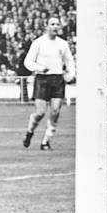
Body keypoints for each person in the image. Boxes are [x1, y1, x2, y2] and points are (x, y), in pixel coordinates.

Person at [22, 16, 75, 150]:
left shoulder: (63, 44)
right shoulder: (38, 43)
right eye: (52, 24)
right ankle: (30, 132)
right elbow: (28, 62)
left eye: (57, 24)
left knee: (55, 111)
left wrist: (71, 74)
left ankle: (46, 141)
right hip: (42, 79)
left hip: (57, 79)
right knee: (40, 112)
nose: (55, 27)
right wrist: (39, 68)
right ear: (47, 26)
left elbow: (69, 61)